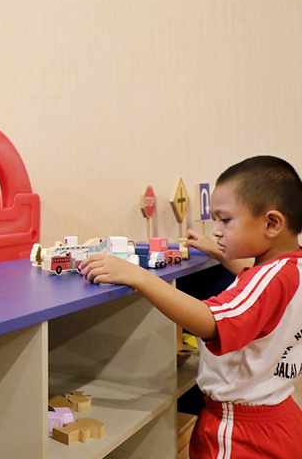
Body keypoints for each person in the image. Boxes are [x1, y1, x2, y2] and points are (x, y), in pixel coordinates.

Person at [81, 156, 302, 459]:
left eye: (225, 220)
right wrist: (220, 252)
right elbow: (257, 290)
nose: (218, 230)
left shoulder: (268, 279)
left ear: (271, 223)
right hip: (279, 412)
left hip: (238, 429)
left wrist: (139, 276)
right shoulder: (291, 268)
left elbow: (212, 321)